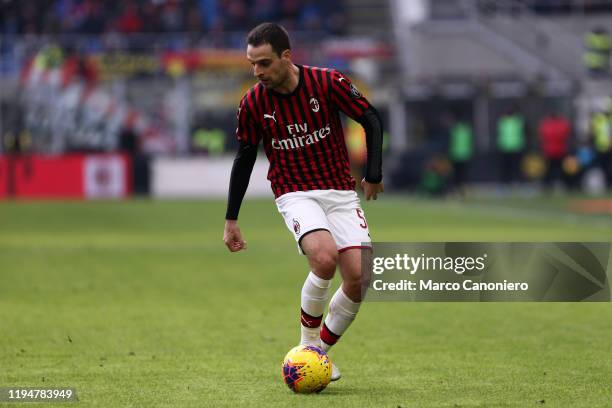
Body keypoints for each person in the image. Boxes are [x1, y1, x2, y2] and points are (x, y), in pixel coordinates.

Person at [223, 23, 384, 382]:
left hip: (340, 192)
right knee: (324, 258)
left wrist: (373, 173)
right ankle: (306, 347)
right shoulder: (253, 103)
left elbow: (371, 119)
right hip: (294, 191)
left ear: (286, 57)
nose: (257, 72)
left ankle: (318, 355)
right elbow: (244, 158)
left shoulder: (327, 83)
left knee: (359, 277)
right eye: (252, 64)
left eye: (264, 63)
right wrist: (231, 218)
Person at [537, 110, 571, 191]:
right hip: (560, 150)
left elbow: (542, 136)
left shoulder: (545, 124)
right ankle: (562, 184)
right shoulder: (562, 124)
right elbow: (566, 134)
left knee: (549, 169)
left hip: (549, 150)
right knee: (560, 169)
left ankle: (548, 185)